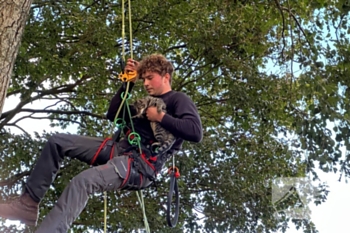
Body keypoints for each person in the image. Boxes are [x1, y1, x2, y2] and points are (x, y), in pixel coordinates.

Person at [0, 54, 203, 232]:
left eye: (150, 78)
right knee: (57, 142)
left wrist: (160, 117)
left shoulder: (178, 99)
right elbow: (114, 113)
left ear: (166, 76)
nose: (146, 83)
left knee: (82, 182)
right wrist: (127, 84)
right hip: (120, 149)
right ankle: (27, 204)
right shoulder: (145, 104)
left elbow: (195, 132)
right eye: (143, 79)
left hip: (140, 165)